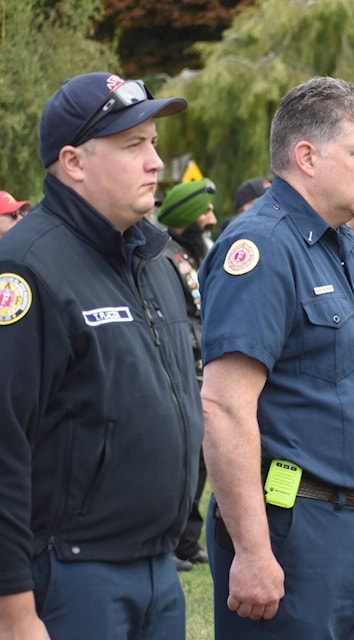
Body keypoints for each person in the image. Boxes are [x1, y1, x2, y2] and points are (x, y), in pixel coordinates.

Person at [198, 77, 354, 639]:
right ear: (307, 156)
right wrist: (253, 550)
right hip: (297, 526)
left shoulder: (351, 250)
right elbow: (224, 407)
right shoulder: (262, 249)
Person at [0, 71, 202, 638]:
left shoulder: (154, 261)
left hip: (160, 571)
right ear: (74, 162)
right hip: (70, 574)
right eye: (133, 145)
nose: (155, 162)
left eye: (154, 144)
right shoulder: (26, 268)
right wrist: (13, 609)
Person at [155, 177, 219, 572]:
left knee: (199, 463)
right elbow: (178, 319)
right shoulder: (164, 258)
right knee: (179, 463)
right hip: (181, 371)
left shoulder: (194, 254)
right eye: (205, 212)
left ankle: (186, 541)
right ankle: (168, 542)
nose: (212, 217)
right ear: (185, 218)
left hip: (201, 371)